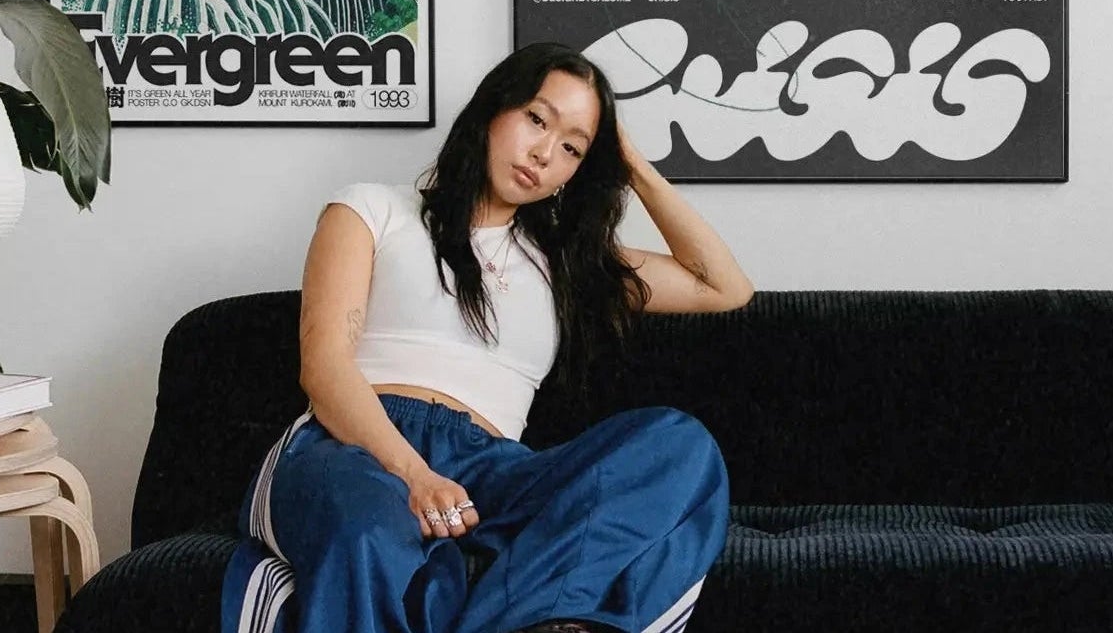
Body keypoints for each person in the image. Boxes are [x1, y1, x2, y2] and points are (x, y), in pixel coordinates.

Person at [222, 42, 753, 633]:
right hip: (354, 443)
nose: (545, 153)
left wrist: (628, 163)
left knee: (679, 446)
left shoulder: (564, 264)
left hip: (491, 467)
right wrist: (413, 474)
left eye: (573, 147)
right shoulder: (371, 209)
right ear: (492, 110)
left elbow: (723, 287)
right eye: (536, 119)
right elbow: (324, 368)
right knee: (372, 524)